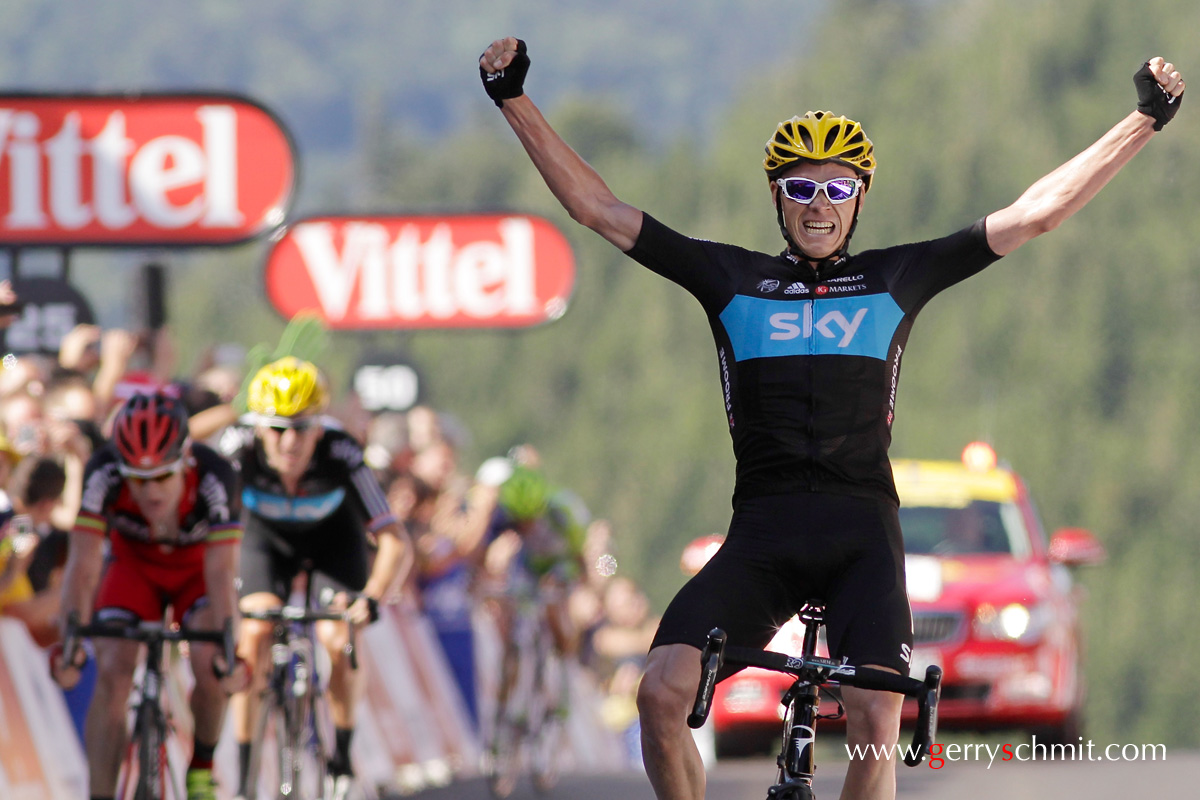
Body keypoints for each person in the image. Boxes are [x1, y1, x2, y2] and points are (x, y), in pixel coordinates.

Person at [479, 38, 1184, 800]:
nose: (820, 206)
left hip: (862, 543)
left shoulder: (895, 276)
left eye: (838, 190)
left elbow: (1034, 216)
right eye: (802, 189)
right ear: (777, 198)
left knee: (878, 721)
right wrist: (512, 96)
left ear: (860, 198)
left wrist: (1142, 120)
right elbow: (599, 209)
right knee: (658, 696)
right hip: (764, 536)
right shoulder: (731, 278)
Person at [224, 356, 413, 799]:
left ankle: (343, 755)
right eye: (277, 429)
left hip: (333, 544)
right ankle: (246, 771)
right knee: (253, 636)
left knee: (337, 639)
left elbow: (394, 538)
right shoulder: (236, 450)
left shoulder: (341, 451)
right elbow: (205, 531)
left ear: (320, 426)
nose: (290, 441)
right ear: (256, 427)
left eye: (304, 428)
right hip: (264, 543)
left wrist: (372, 597)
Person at [54, 392, 243, 800]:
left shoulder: (216, 476)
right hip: (133, 568)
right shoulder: (102, 471)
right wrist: (68, 641)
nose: (151, 491)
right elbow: (83, 563)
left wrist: (231, 646)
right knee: (115, 671)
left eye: (162, 477)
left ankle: (201, 768)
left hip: (197, 571)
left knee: (212, 665)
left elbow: (222, 571)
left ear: (186, 461)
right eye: (138, 480)